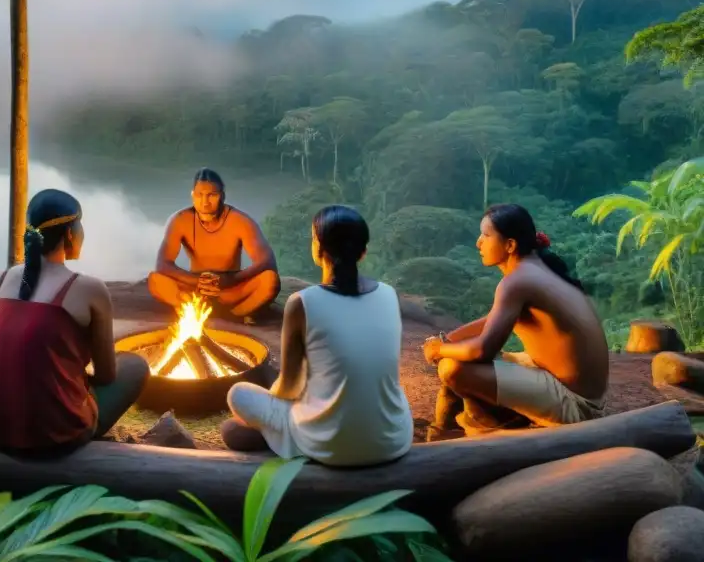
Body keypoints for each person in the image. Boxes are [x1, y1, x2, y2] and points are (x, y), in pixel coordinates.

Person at [220, 205, 413, 466]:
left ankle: (285, 438)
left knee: (239, 394)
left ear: (318, 248)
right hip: (392, 439)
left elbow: (289, 387)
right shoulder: (389, 294)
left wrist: (276, 402)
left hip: (329, 444)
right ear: (363, 252)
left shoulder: (303, 302)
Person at [0, 189, 149, 454]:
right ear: (70, 234)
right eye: (80, 224)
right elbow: (107, 375)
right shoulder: (90, 289)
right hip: (49, 433)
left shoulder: (2, 279)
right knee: (134, 366)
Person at [422, 203, 609, 440]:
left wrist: (440, 349)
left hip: (577, 406)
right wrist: (447, 341)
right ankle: (455, 426)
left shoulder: (517, 282)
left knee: (454, 368)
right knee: (458, 353)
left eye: (486, 235)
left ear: (510, 245)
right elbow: (490, 320)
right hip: (570, 386)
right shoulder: (534, 270)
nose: (478, 242)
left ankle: (490, 430)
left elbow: (482, 350)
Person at [147, 168, 281, 324]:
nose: (205, 202)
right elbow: (163, 264)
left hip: (229, 290)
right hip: (196, 289)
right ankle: (192, 308)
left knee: (270, 281)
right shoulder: (180, 220)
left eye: (212, 195)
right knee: (155, 280)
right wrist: (196, 281)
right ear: (192, 195)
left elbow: (267, 261)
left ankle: (235, 314)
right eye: (199, 195)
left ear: (222, 196)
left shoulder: (240, 221)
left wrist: (229, 280)